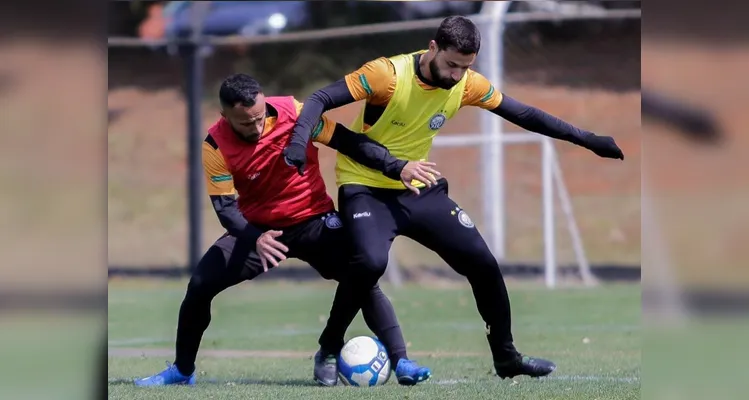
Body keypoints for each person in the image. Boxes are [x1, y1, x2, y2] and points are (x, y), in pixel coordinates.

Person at [283, 16, 624, 380]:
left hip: (418, 188)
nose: (457, 75)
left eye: (466, 67)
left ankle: (506, 357)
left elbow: (523, 113)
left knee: (483, 264)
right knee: (368, 263)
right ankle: (330, 347)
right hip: (365, 186)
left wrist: (588, 139)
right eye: (451, 65)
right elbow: (319, 98)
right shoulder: (387, 75)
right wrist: (298, 142)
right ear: (433, 47)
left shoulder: (466, 84)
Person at [133, 73, 436, 387]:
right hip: (259, 230)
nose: (256, 127)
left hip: (314, 219)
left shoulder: (295, 113)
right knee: (199, 286)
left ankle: (401, 361)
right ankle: (183, 371)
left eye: (259, 118)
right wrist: (256, 237)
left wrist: (395, 165)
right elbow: (225, 209)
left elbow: (346, 141)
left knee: (363, 276)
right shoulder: (215, 146)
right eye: (245, 123)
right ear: (225, 116)